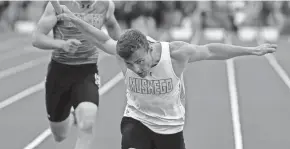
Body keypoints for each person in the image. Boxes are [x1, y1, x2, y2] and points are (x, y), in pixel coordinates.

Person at [57, 5, 277, 149]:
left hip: (171, 128)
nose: (136, 68)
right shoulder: (125, 56)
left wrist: (250, 50)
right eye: (129, 64)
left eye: (139, 61)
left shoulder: (175, 53)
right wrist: (74, 21)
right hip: (136, 120)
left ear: (149, 48)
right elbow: (102, 39)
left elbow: (211, 50)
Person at [31, 1, 121, 149]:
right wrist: (62, 44)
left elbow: (111, 25)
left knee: (87, 120)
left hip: (87, 70)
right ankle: (71, 117)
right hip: (59, 71)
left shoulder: (106, 5)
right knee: (59, 135)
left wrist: (125, 48)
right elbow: (37, 38)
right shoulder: (59, 4)